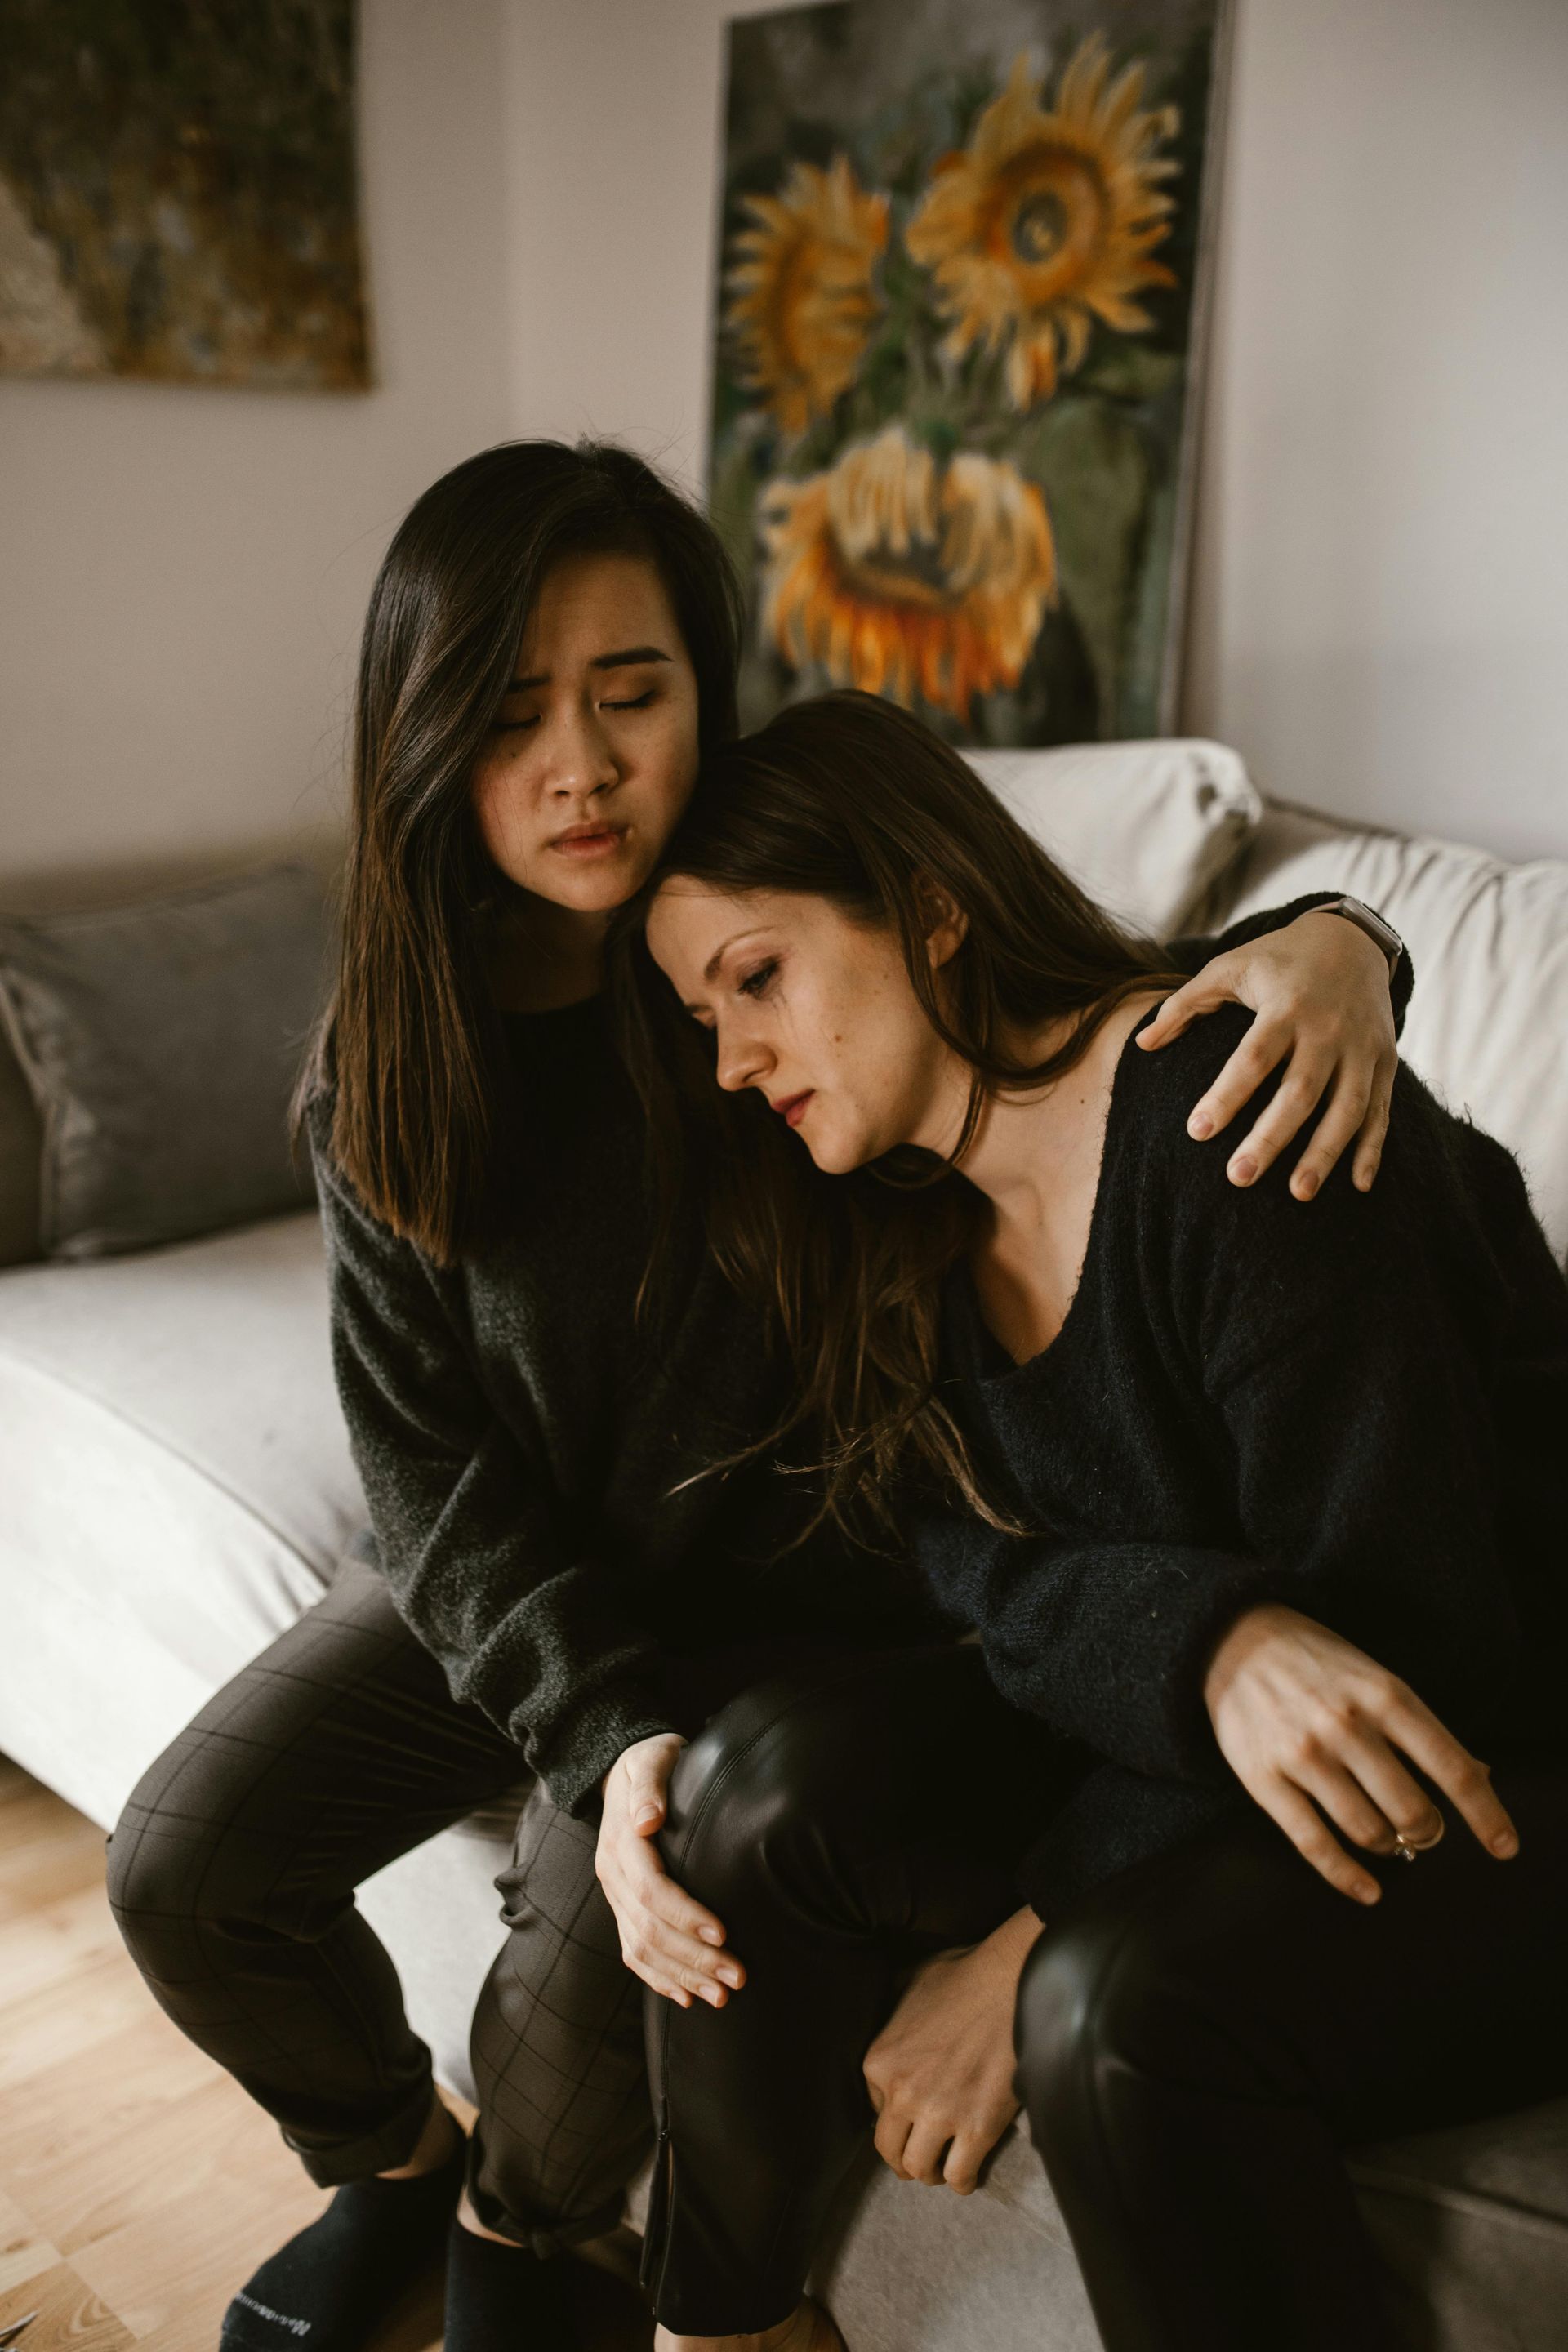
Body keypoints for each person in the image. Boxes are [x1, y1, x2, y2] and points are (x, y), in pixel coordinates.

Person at [105, 444, 1410, 2352]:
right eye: (513, 711)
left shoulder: (775, 948)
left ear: (706, 695)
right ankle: (384, 2159)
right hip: (544, 1594)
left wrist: (1341, 945)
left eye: (633, 695)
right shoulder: (390, 1067)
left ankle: (514, 2219)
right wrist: (595, 1730)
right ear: (426, 735)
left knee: (580, 2049)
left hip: (790, 1631)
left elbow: (1061, 1012)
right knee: (182, 1871)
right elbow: (436, 1484)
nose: (582, 766)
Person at [629, 688, 1568, 2352]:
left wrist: (1036, 1920)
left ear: (929, 906)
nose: (733, 1060)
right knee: (760, 1790)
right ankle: (722, 2326)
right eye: (706, 1014)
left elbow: (1408, 1654)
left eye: (757, 978)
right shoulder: (903, 1219)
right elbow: (959, 1552)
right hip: (1229, 1719)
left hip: (1491, 1749)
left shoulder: (1242, 1116)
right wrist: (1203, 1649)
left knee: (1105, 2013)